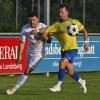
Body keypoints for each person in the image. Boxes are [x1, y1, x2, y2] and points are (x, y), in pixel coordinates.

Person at [43, 4, 89, 94]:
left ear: (67, 12)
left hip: (73, 49)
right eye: (59, 12)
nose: (60, 14)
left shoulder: (74, 22)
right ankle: (81, 81)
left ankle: (58, 85)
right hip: (64, 50)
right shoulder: (57, 25)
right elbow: (46, 29)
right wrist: (38, 31)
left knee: (62, 62)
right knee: (70, 71)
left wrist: (86, 43)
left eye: (62, 12)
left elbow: (84, 30)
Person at [6, 12, 51, 95]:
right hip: (29, 52)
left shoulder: (43, 27)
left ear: (38, 19)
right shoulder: (25, 28)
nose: (32, 22)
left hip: (39, 54)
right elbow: (22, 42)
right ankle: (16, 87)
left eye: (34, 20)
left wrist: (42, 34)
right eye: (30, 20)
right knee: (27, 71)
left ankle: (13, 89)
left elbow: (49, 40)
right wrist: (19, 55)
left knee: (27, 70)